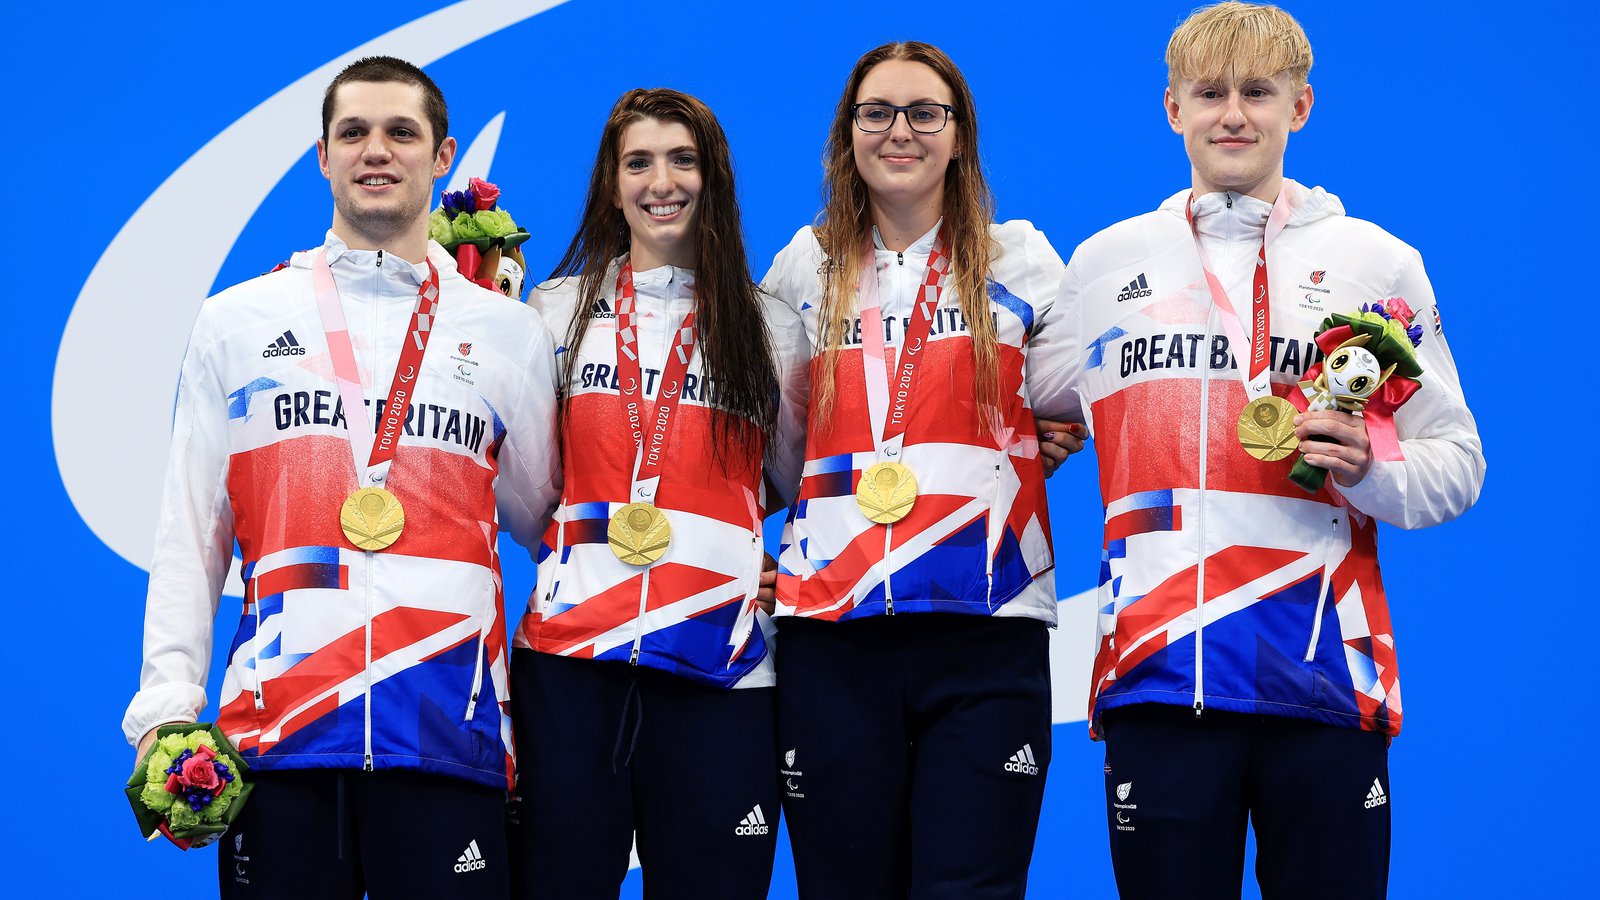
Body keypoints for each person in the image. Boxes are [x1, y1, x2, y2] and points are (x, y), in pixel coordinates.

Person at [1028, 4, 1486, 897]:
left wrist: (1372, 467)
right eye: (1210, 93)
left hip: (1322, 675)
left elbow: (1458, 460)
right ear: (1172, 109)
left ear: (1300, 106)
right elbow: (1020, 410)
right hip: (1157, 677)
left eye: (1258, 92)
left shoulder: (1378, 264)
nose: (1233, 113)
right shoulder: (1103, 265)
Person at [121, 56, 560, 898]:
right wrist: (168, 705)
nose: (376, 150)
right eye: (353, 132)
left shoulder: (509, 333)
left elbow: (548, 520)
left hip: (447, 733)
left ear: (443, 158)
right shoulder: (237, 321)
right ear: (322, 156)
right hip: (281, 738)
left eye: (402, 131)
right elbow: (191, 532)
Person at [761, 41, 1069, 899]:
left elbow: (1083, 397)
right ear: (847, 134)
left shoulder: (1021, 262)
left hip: (987, 621)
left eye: (925, 113)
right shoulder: (802, 268)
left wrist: (1043, 428)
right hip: (833, 629)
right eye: (877, 113)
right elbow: (775, 448)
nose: (901, 131)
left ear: (959, 135)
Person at [504, 88, 808, 899]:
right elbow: (530, 489)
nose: (660, 180)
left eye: (683, 159)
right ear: (611, 182)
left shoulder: (768, 326)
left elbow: (797, 477)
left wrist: (762, 560)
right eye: (638, 161)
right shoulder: (554, 312)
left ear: (714, 178)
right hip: (570, 668)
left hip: (723, 670)